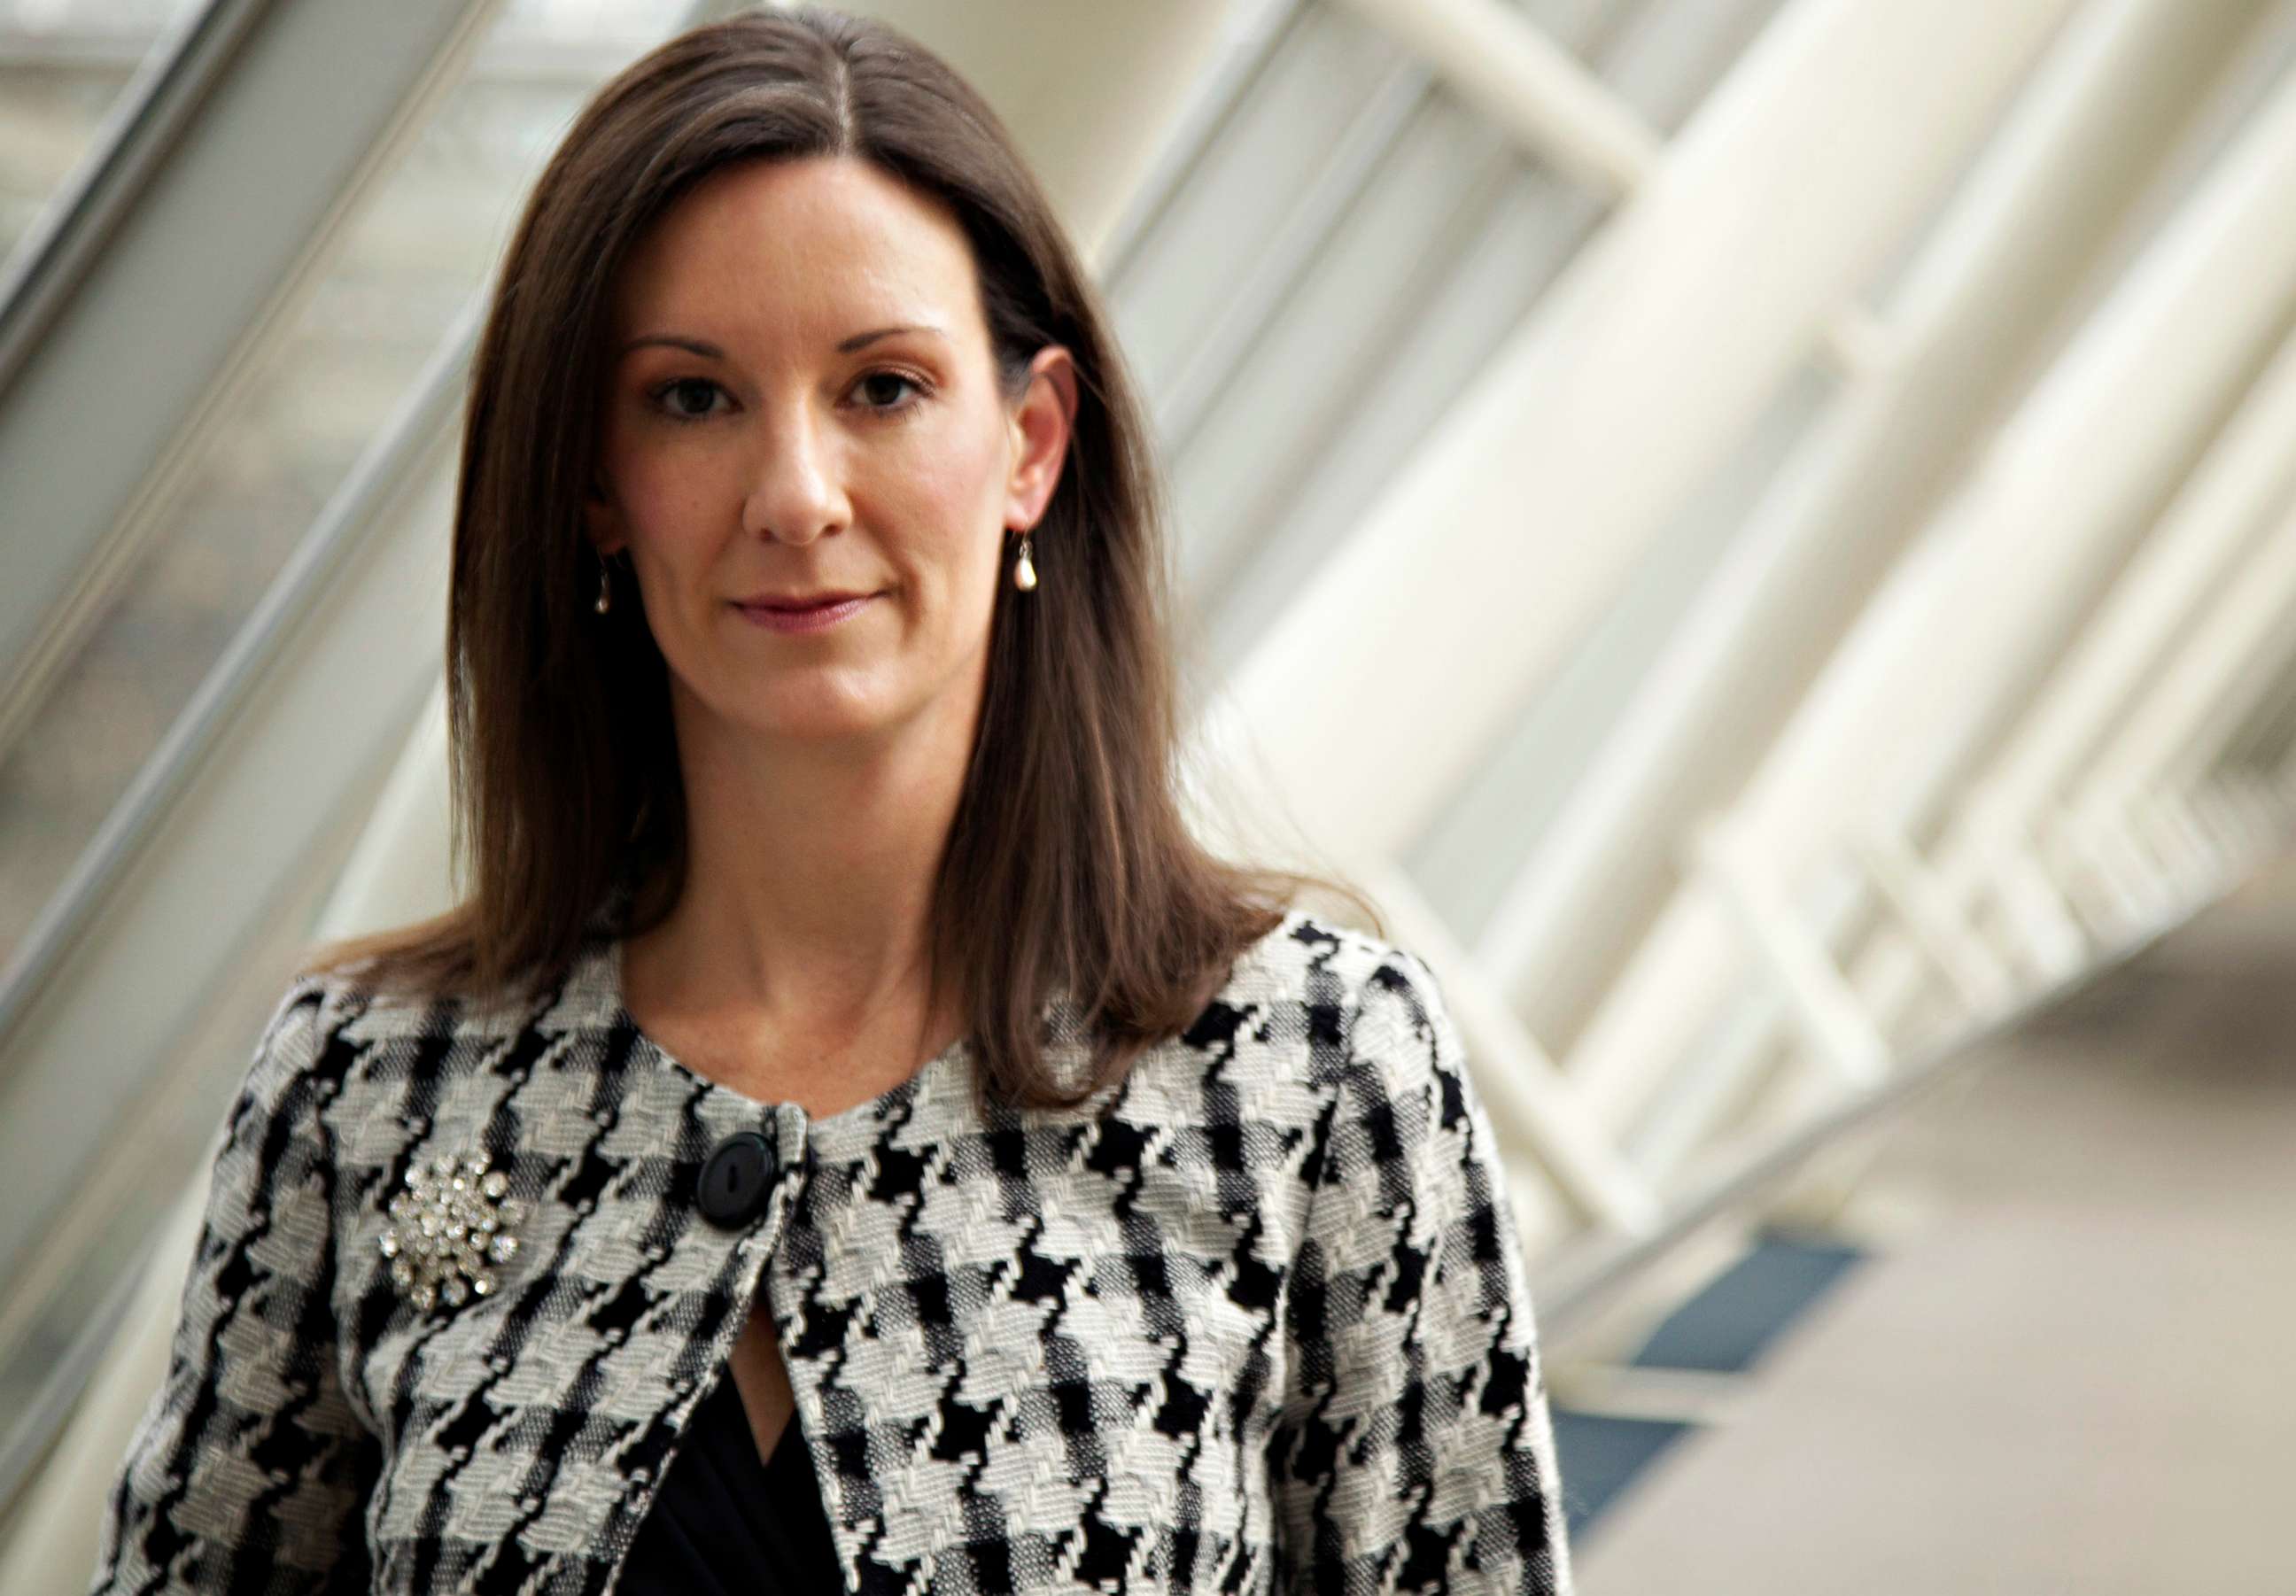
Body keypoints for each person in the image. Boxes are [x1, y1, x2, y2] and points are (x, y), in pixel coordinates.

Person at [86, 6, 1575, 1592]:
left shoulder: (1313, 1073)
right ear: (597, 484)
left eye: (881, 387)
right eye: (693, 398)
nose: (797, 497)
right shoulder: (361, 1087)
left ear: (1030, 443)